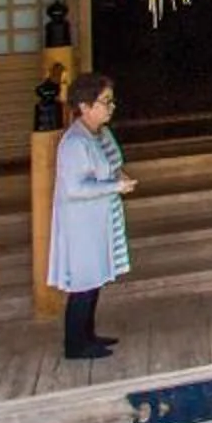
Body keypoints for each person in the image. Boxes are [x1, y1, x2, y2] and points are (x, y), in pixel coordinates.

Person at [49, 72, 135, 361]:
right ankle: (75, 343)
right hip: (81, 223)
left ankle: (88, 334)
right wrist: (114, 186)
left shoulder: (100, 134)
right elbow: (75, 187)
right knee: (83, 284)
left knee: (95, 280)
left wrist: (118, 176)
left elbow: (112, 163)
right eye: (105, 102)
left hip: (100, 217)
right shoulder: (74, 143)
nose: (110, 107)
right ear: (85, 106)